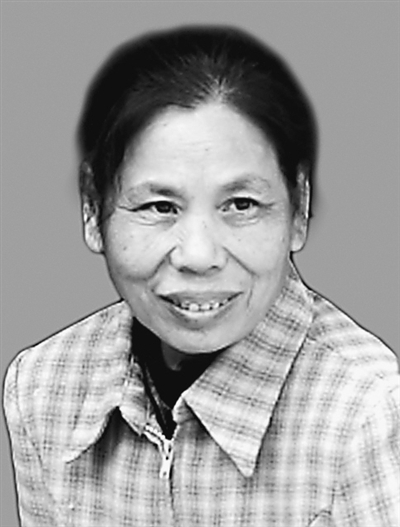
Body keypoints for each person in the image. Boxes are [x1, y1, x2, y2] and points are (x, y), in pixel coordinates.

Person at [3, 25, 399, 527]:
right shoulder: (43, 386)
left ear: (298, 208)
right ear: (91, 210)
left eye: (241, 204)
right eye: (159, 206)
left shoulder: (370, 411)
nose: (198, 255)